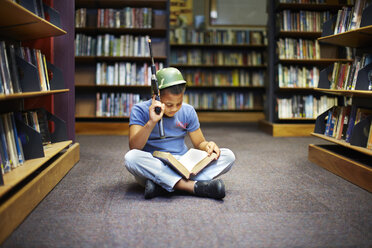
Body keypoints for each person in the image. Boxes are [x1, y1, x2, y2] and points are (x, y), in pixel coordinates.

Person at [124, 67, 235, 199]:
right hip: (155, 164)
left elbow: (199, 143)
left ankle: (163, 186)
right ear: (156, 96)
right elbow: (134, 147)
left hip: (182, 164)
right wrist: (151, 122)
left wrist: (207, 146)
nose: (175, 109)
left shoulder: (188, 111)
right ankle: (192, 187)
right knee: (131, 158)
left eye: (179, 103)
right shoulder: (139, 110)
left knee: (228, 156)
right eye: (169, 105)